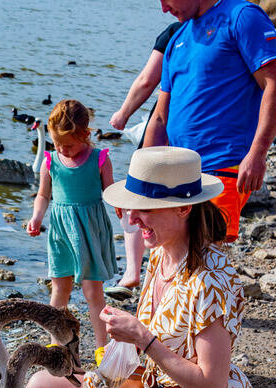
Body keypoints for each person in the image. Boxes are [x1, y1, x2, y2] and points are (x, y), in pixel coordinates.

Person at [28, 147, 261, 388]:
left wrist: (144, 339)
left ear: (183, 209)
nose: (132, 220)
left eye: (144, 210)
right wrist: (113, 362)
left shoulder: (211, 283)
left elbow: (210, 387)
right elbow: (145, 347)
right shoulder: (162, 256)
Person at [142, 0, 276, 243]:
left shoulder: (242, 16)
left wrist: (257, 153)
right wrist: (141, 180)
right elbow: (159, 118)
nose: (164, 8)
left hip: (221, 168)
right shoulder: (177, 37)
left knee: (206, 258)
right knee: (169, 259)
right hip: (177, 173)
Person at [26, 99, 117, 358]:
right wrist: (36, 217)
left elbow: (109, 191)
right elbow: (44, 195)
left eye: (69, 145)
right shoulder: (50, 161)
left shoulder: (99, 159)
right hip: (61, 233)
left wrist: (123, 207)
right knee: (60, 289)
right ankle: (56, 344)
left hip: (89, 231)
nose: (62, 150)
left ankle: (103, 348)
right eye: (57, 144)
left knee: (93, 292)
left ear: (86, 135)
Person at [107, 19, 184, 291]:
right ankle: (177, 269)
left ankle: (132, 272)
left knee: (137, 195)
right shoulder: (223, 32)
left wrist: (123, 113)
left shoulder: (175, 32)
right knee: (185, 201)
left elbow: (147, 79)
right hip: (203, 130)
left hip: (165, 123)